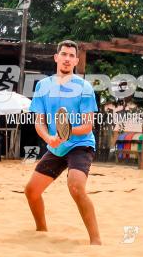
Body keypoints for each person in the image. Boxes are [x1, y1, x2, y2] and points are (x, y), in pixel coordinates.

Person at [24, 40, 101, 245]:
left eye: (71, 56)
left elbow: (87, 126)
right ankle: (41, 230)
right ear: (56, 57)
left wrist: (66, 132)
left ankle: (96, 241)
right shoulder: (42, 86)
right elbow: (39, 122)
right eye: (63, 54)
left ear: (76, 61)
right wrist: (49, 138)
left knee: (76, 187)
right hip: (56, 145)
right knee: (31, 191)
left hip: (81, 144)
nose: (67, 58)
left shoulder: (84, 87)